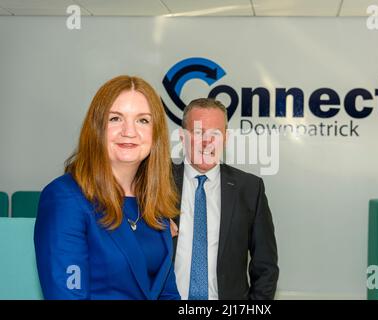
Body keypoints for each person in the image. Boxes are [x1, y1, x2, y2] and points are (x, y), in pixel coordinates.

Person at [34, 75, 180, 300]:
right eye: (115, 119)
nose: (129, 131)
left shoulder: (155, 203)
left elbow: (168, 294)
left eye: (143, 120)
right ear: (96, 128)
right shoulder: (66, 198)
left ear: (156, 134)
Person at [172, 98, 279, 300]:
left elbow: (266, 267)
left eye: (215, 133)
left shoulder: (249, 189)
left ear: (226, 138)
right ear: (182, 136)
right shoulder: (155, 182)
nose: (207, 141)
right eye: (198, 132)